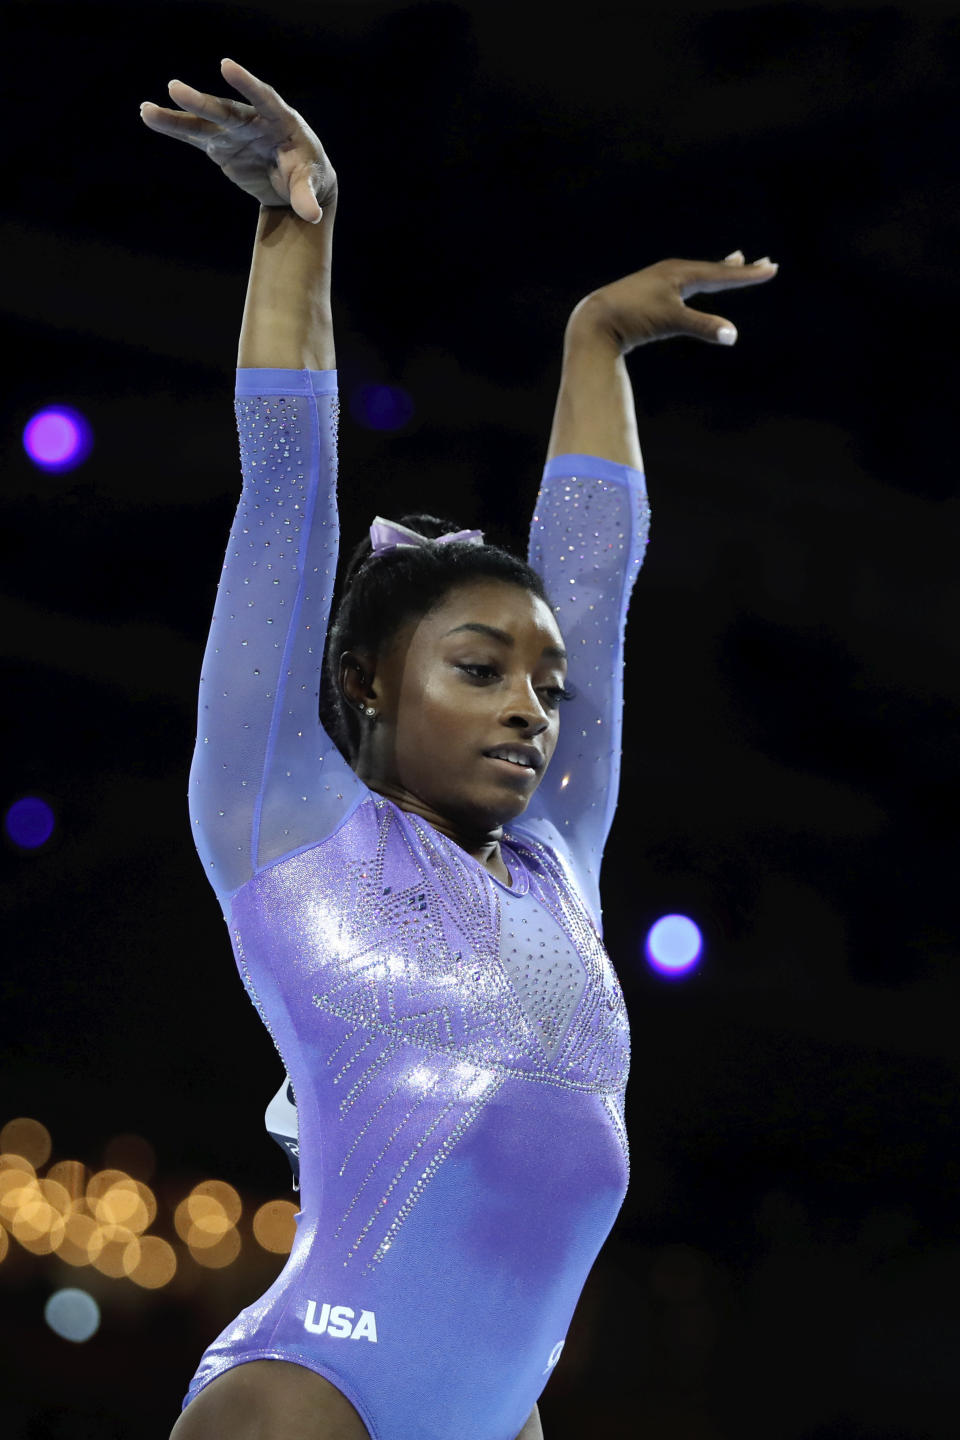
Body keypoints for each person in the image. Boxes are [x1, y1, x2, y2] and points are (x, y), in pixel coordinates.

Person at [140, 58, 776, 1440]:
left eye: (540, 687)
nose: (529, 710)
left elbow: (592, 597)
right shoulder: (283, 820)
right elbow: (287, 489)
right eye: (479, 672)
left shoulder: (558, 872)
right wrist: (297, 227)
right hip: (311, 1394)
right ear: (366, 682)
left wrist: (594, 343)